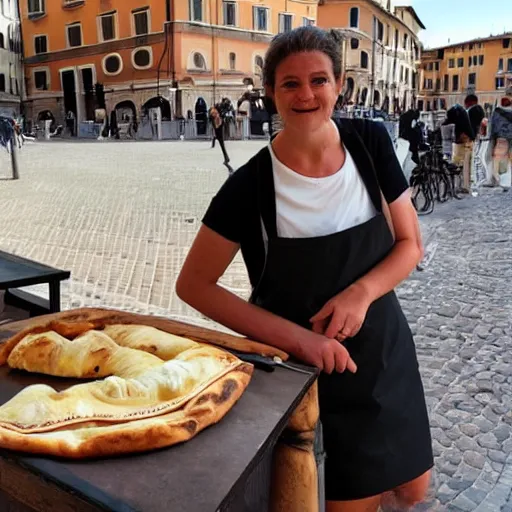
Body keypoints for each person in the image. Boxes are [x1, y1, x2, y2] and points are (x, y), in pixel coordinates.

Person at [176, 26, 433, 511]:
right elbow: (194, 285)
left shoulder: (371, 143)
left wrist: (360, 294)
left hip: (384, 353)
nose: (306, 94)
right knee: (348, 500)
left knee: (412, 489)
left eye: (319, 80)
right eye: (289, 83)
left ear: (339, 85)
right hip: (307, 376)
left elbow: (409, 244)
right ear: (270, 93)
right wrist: (303, 342)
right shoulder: (249, 186)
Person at [490, 95, 512, 191]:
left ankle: (504, 182)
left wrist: (493, 138)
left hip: (501, 138)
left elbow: (493, 126)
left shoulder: (497, 112)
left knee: (501, 159)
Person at [209, 106, 233, 174]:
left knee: (222, 145)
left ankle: (226, 158)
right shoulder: (215, 118)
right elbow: (216, 126)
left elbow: (218, 125)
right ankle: (226, 158)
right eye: (213, 113)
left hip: (219, 134)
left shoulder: (218, 117)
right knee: (222, 145)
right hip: (218, 134)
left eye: (214, 112)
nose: (214, 113)